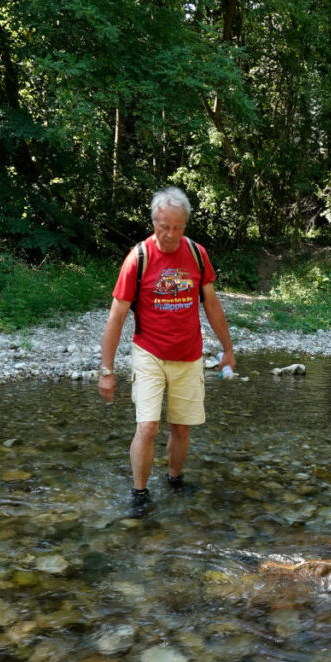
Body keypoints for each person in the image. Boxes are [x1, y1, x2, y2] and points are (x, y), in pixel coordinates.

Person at [98, 187, 236, 512]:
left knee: (182, 428)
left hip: (189, 354)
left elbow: (212, 305)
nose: (170, 235)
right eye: (164, 227)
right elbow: (116, 318)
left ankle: (174, 479)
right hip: (149, 352)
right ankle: (140, 494)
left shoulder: (198, 254)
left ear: (185, 224)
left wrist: (227, 350)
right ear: (153, 222)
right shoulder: (138, 258)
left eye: (178, 227)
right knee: (147, 426)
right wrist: (106, 370)